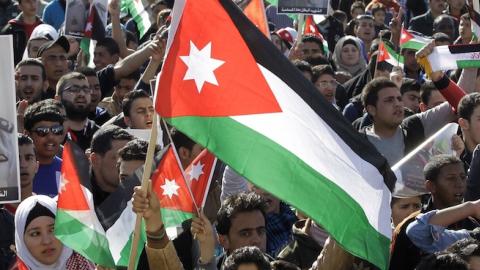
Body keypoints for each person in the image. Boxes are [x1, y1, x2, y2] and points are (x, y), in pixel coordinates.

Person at [14, 195, 94, 269]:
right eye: (35, 234)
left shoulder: (85, 264)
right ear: (21, 241)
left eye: (53, 230)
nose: (46, 241)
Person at [23, 99, 64, 197]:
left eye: (56, 130)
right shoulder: (19, 170)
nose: (50, 137)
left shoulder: (69, 171)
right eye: (42, 131)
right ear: (27, 134)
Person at [89, 125, 133, 206]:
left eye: (131, 157)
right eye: (121, 157)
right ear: (95, 160)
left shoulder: (138, 196)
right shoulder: (78, 200)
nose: (128, 164)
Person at [55, 72, 99, 151]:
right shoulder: (49, 133)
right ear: (58, 99)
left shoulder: (100, 134)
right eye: (74, 90)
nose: (81, 94)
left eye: (86, 90)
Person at [0, 0, 42, 65]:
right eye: (28, 1)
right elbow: (4, 59)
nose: (32, 5)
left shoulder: (45, 28)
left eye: (34, 1)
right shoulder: (10, 30)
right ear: (19, 6)